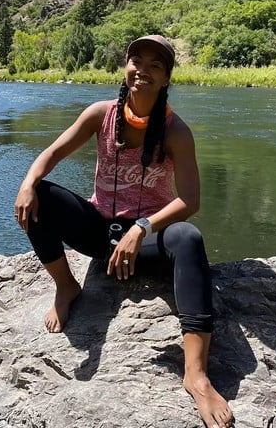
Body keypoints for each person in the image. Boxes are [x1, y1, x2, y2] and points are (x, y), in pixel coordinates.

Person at [14, 35, 234, 428]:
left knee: (189, 238)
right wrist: (29, 182)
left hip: (147, 241)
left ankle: (196, 374)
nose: (143, 70)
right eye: (137, 60)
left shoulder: (175, 131)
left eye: (155, 65)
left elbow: (191, 201)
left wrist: (143, 228)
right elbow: (50, 155)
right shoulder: (101, 114)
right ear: (125, 66)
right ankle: (66, 287)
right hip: (100, 233)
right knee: (40, 198)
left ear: (166, 78)